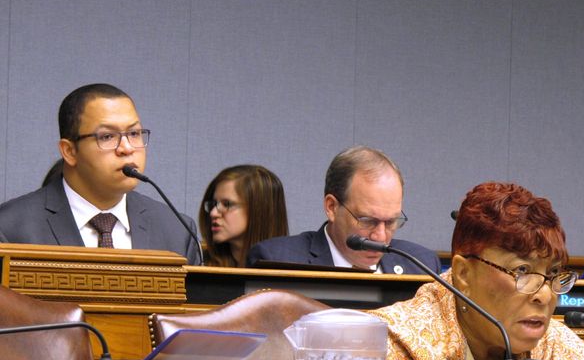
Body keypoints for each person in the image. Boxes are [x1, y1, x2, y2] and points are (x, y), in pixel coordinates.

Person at [371, 182, 584, 360]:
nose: (544, 295)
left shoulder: (565, 355)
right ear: (463, 275)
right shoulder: (387, 346)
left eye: (553, 273)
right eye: (522, 270)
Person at [0, 83, 201, 264]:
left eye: (134, 134)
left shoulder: (177, 231)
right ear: (69, 151)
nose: (127, 148)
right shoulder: (10, 228)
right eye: (107, 136)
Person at [246, 145, 440, 274]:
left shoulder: (421, 266)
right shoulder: (277, 262)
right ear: (331, 207)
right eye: (367, 221)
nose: (380, 236)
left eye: (391, 222)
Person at [199, 165, 289, 267]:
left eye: (227, 204)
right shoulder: (199, 264)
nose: (213, 213)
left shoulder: (293, 272)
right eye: (214, 204)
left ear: (259, 210)